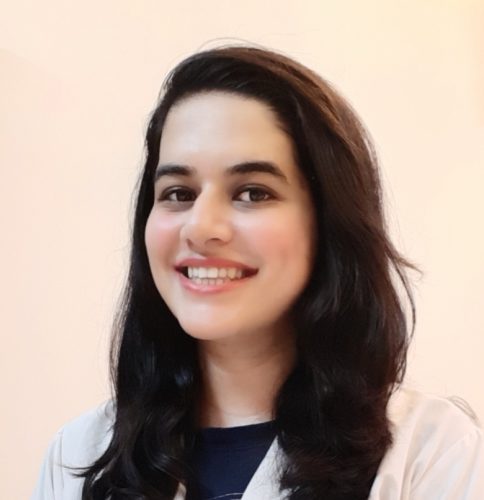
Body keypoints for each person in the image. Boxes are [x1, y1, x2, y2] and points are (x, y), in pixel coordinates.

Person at [31, 45, 484, 500]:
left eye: (252, 192)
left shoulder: (433, 455)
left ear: (328, 223)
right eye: (178, 193)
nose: (201, 227)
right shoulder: (78, 456)